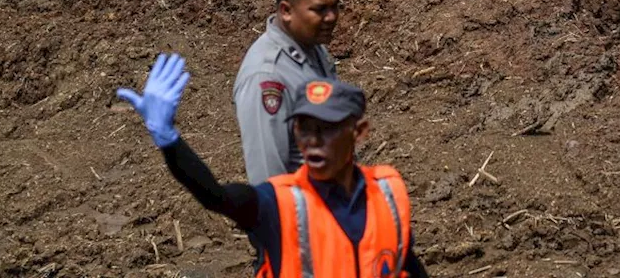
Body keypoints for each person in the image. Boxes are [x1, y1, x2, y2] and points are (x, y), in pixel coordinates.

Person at [119, 60, 428, 278]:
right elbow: (216, 196)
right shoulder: (279, 204)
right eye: (304, 129)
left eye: (327, 129)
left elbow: (406, 265)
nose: (313, 141)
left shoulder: (389, 192)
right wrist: (168, 138)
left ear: (358, 132)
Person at [234, 0, 340, 186]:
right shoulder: (267, 76)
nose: (331, 17)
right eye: (320, 9)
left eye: (334, 7)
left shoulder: (312, 47)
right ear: (286, 11)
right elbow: (268, 180)